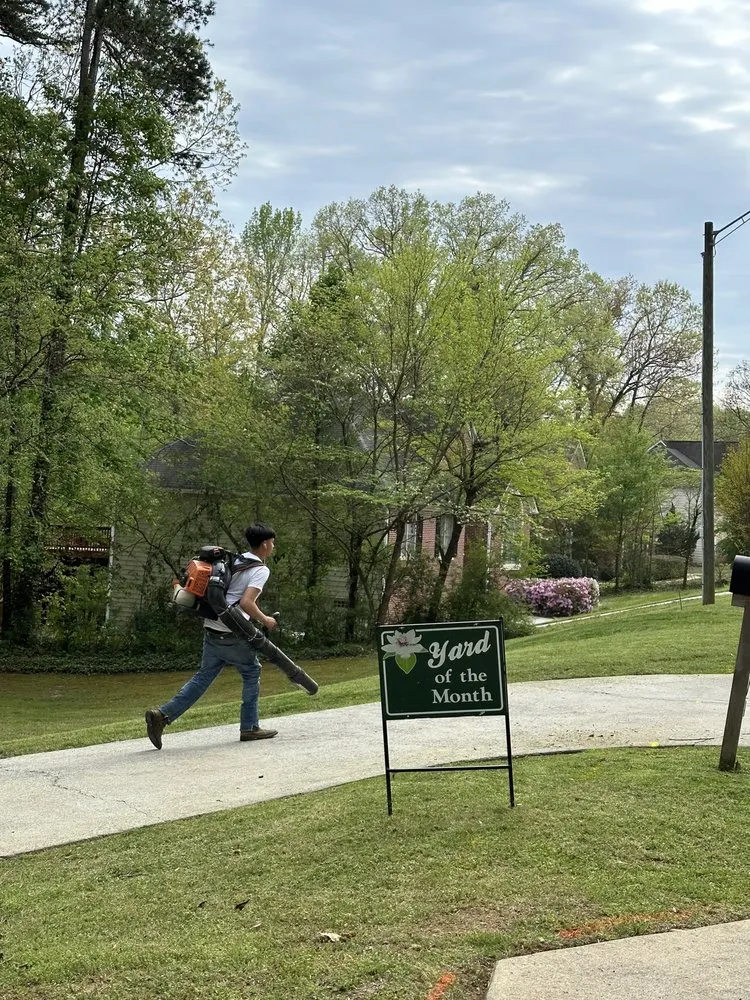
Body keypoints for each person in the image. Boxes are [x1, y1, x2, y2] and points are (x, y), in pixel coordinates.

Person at [145, 522, 280, 749]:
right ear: (265, 544)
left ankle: (162, 715)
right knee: (251, 671)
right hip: (232, 630)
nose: (273, 546)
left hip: (212, 626)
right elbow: (246, 603)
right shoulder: (260, 570)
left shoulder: (235, 560)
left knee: (203, 677)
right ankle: (250, 727)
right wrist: (266, 620)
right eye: (272, 543)